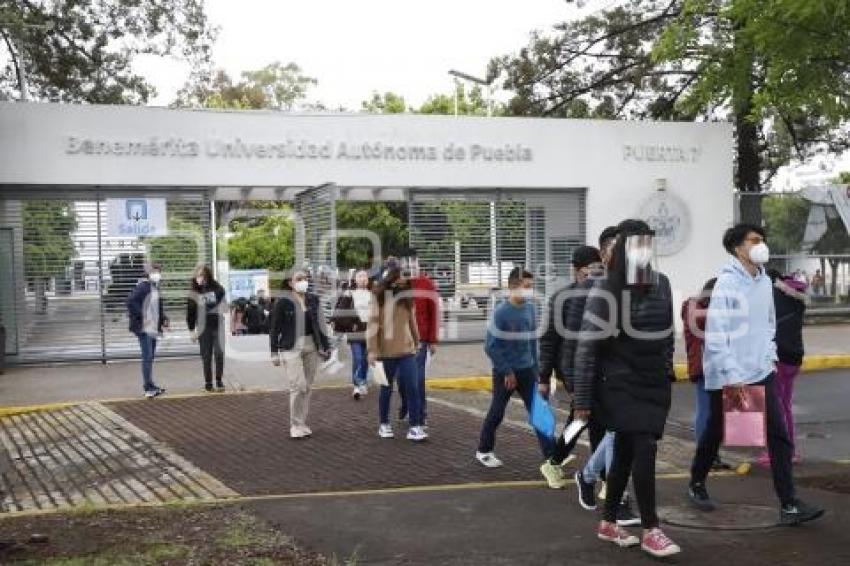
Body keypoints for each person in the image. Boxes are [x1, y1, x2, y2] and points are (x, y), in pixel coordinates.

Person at [688, 223, 823, 526]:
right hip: (729, 373)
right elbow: (717, 335)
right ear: (739, 248)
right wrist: (733, 376)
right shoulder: (727, 283)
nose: (762, 245)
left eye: (762, 240)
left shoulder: (764, 281)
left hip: (760, 370)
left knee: (778, 435)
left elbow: (769, 324)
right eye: (755, 240)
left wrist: (769, 358)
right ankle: (696, 482)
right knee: (716, 431)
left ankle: (789, 504)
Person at [573, 219, 680, 558]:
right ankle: (651, 528)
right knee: (644, 445)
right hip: (617, 381)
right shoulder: (605, 288)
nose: (643, 250)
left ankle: (608, 523)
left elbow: (666, 336)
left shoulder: (661, 283)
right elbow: (587, 347)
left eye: (647, 243)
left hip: (652, 381)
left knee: (624, 450)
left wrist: (665, 371)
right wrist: (583, 400)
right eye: (636, 243)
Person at [475, 267, 555, 469]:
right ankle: (483, 450)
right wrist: (507, 371)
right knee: (497, 411)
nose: (530, 292)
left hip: (527, 370)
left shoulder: (529, 308)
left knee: (540, 412)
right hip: (506, 373)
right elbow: (490, 346)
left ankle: (552, 456)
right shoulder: (501, 313)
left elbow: (531, 342)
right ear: (513, 287)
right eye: (526, 287)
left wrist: (538, 371)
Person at [538, 245, 603, 489]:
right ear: (576, 271)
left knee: (586, 423)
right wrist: (544, 377)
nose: (593, 277)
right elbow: (549, 341)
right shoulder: (561, 299)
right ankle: (559, 462)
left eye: (598, 270)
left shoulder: (605, 296)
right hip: (575, 372)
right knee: (587, 422)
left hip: (600, 372)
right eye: (588, 272)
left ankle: (555, 461)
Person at [367, 265, 427, 442]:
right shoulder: (379, 297)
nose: (404, 280)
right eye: (401, 276)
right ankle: (384, 424)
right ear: (392, 278)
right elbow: (372, 324)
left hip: (407, 350)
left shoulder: (407, 298)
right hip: (385, 352)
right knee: (386, 388)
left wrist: (418, 342)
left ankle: (415, 426)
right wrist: (372, 350)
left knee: (413, 388)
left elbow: (412, 321)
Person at [270, 271, 331, 439]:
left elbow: (321, 324)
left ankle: (302, 422)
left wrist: (326, 346)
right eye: (299, 279)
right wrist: (274, 352)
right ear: (290, 283)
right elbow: (274, 328)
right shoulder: (282, 302)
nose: (303, 281)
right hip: (291, 347)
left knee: (308, 387)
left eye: (305, 279)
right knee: (298, 385)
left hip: (311, 344)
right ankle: (295, 425)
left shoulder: (313, 299)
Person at [758, 270, 809, 466]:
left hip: (778, 356)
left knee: (775, 408)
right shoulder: (798, 296)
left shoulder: (773, 296)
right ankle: (790, 451)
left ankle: (778, 454)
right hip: (795, 356)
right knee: (785, 405)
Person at [681, 277, 731, 470]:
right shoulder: (693, 306)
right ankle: (705, 452)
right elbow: (700, 320)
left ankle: (711, 452)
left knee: (714, 411)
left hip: (716, 365)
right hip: (704, 367)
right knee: (706, 409)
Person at [399, 250, 441, 425]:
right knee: (401, 379)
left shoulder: (427, 284)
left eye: (413, 262)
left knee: (417, 378)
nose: (411, 265)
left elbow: (434, 313)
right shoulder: (400, 284)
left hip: (420, 339)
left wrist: (432, 340)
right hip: (400, 340)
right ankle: (407, 405)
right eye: (407, 262)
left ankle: (420, 413)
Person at [126, 263, 168, 399]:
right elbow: (131, 302)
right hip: (144, 328)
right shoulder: (142, 287)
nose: (158, 274)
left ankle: (151, 385)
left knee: (150, 357)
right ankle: (148, 388)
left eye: (159, 271)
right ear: (148, 273)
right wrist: (144, 315)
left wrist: (164, 319)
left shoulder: (154, 287)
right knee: (147, 357)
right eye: (155, 271)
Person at [332, 271, 371, 400]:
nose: (363, 279)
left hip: (370, 331)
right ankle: (356, 385)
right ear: (355, 279)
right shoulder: (349, 293)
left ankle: (363, 381)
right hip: (355, 331)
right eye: (360, 276)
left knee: (366, 359)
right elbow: (342, 312)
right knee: (358, 358)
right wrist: (350, 325)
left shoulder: (373, 294)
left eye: (365, 276)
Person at [187, 265, 227, 393]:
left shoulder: (216, 288)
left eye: (202, 275)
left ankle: (219, 380)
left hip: (217, 325)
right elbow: (190, 313)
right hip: (203, 327)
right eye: (198, 276)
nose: (200, 278)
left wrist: (207, 290)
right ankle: (208, 383)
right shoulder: (193, 293)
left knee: (219, 353)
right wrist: (191, 330)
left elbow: (222, 297)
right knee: (206, 356)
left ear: (207, 276)